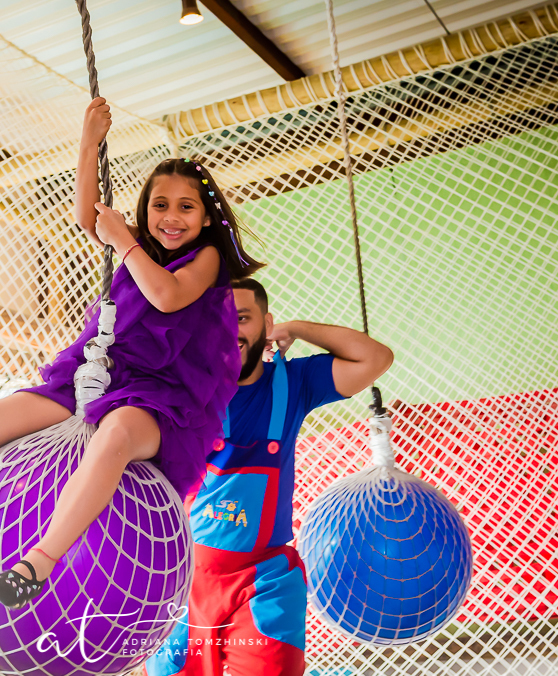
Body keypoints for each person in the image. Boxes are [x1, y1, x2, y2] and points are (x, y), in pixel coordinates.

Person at [0, 97, 264, 610]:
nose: (170, 217)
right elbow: (88, 216)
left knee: (116, 434)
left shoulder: (205, 258)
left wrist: (125, 240)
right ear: (146, 210)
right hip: (97, 375)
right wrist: (88, 144)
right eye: (159, 205)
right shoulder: (136, 244)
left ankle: (42, 559)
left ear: (207, 217)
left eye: (185, 207)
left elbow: (166, 295)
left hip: (162, 398)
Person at [144, 278, 394, 676]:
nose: (231, 329)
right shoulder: (186, 388)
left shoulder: (295, 383)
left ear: (265, 323)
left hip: (264, 582)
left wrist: (295, 329)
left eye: (243, 318)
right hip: (184, 581)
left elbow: (375, 359)